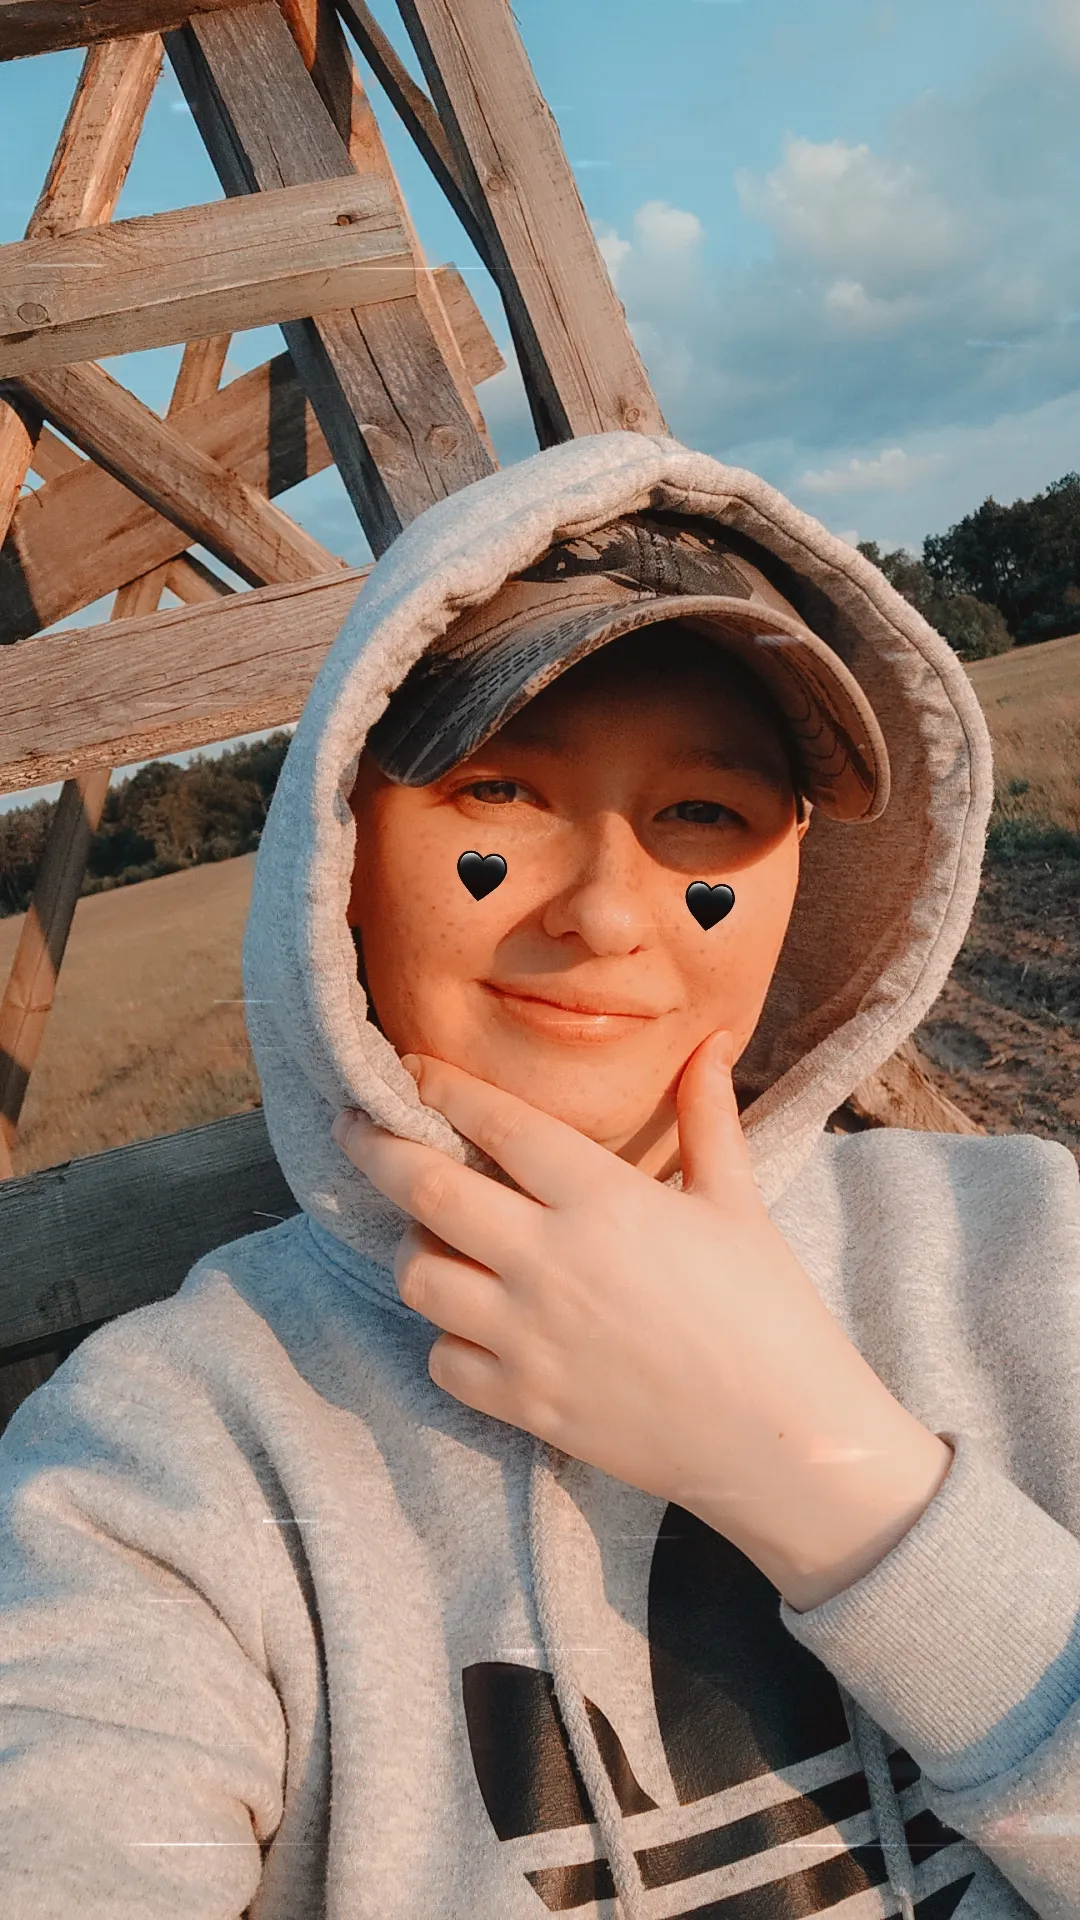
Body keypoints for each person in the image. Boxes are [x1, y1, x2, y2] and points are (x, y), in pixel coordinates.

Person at [0, 432, 1078, 1920]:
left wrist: (828, 1476)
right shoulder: (176, 1456)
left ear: (801, 875)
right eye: (499, 791)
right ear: (340, 857)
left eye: (704, 813)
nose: (608, 915)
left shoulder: (1030, 1251)